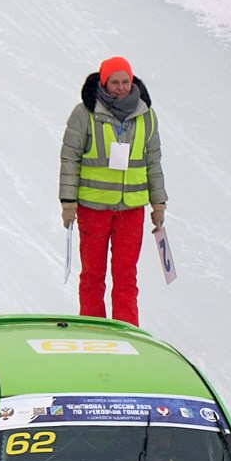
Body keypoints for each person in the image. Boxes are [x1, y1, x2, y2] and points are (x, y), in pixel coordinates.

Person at [57, 55, 167, 325]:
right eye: (114, 82)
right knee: (93, 275)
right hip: (93, 209)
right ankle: (93, 329)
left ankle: (126, 329)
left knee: (126, 275)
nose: (120, 87)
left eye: (125, 81)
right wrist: (68, 202)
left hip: (131, 210)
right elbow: (70, 158)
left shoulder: (147, 117)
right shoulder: (84, 114)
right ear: (103, 83)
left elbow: (153, 162)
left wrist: (159, 203)